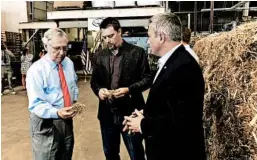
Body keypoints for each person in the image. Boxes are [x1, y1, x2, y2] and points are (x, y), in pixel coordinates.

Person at [123, 13, 206, 160]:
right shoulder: (174, 62)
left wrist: (142, 124)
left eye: (149, 36)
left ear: (161, 37)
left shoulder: (184, 67)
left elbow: (181, 121)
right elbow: (170, 104)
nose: (148, 41)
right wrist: (145, 113)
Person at [90, 17, 152, 160]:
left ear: (120, 32)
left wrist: (129, 90)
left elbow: (147, 79)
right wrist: (99, 91)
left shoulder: (137, 53)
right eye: (104, 37)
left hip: (130, 113)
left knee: (136, 153)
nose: (108, 40)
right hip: (107, 114)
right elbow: (95, 82)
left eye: (111, 36)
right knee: (110, 154)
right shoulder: (100, 56)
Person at [26, 28, 79, 160]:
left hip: (66, 119)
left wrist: (74, 101)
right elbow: (36, 103)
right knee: (47, 155)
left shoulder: (68, 64)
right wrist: (57, 112)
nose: (62, 53)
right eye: (56, 48)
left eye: (65, 48)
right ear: (46, 46)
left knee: (65, 153)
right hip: (45, 121)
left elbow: (73, 85)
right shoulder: (37, 70)